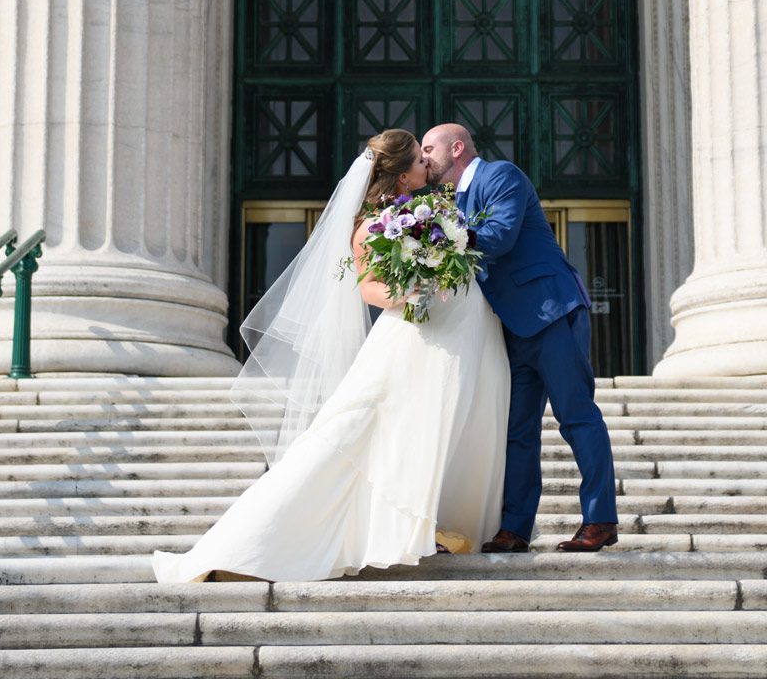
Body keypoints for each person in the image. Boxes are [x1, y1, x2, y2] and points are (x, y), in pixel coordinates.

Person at [152, 130, 509, 584]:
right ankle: (247, 545)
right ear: (402, 175)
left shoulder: (428, 211)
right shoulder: (371, 225)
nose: (428, 165)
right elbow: (370, 288)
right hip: (401, 342)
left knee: (410, 434)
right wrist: (411, 289)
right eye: (420, 159)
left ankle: (407, 526)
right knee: (349, 434)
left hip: (430, 342)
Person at [421, 122, 618, 553]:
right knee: (517, 431)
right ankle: (515, 529)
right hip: (511, 327)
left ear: (457, 149)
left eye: (428, 147)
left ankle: (600, 519)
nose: (423, 156)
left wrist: (433, 241)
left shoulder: (501, 176)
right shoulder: (450, 201)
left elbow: (500, 237)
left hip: (551, 311)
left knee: (576, 416)